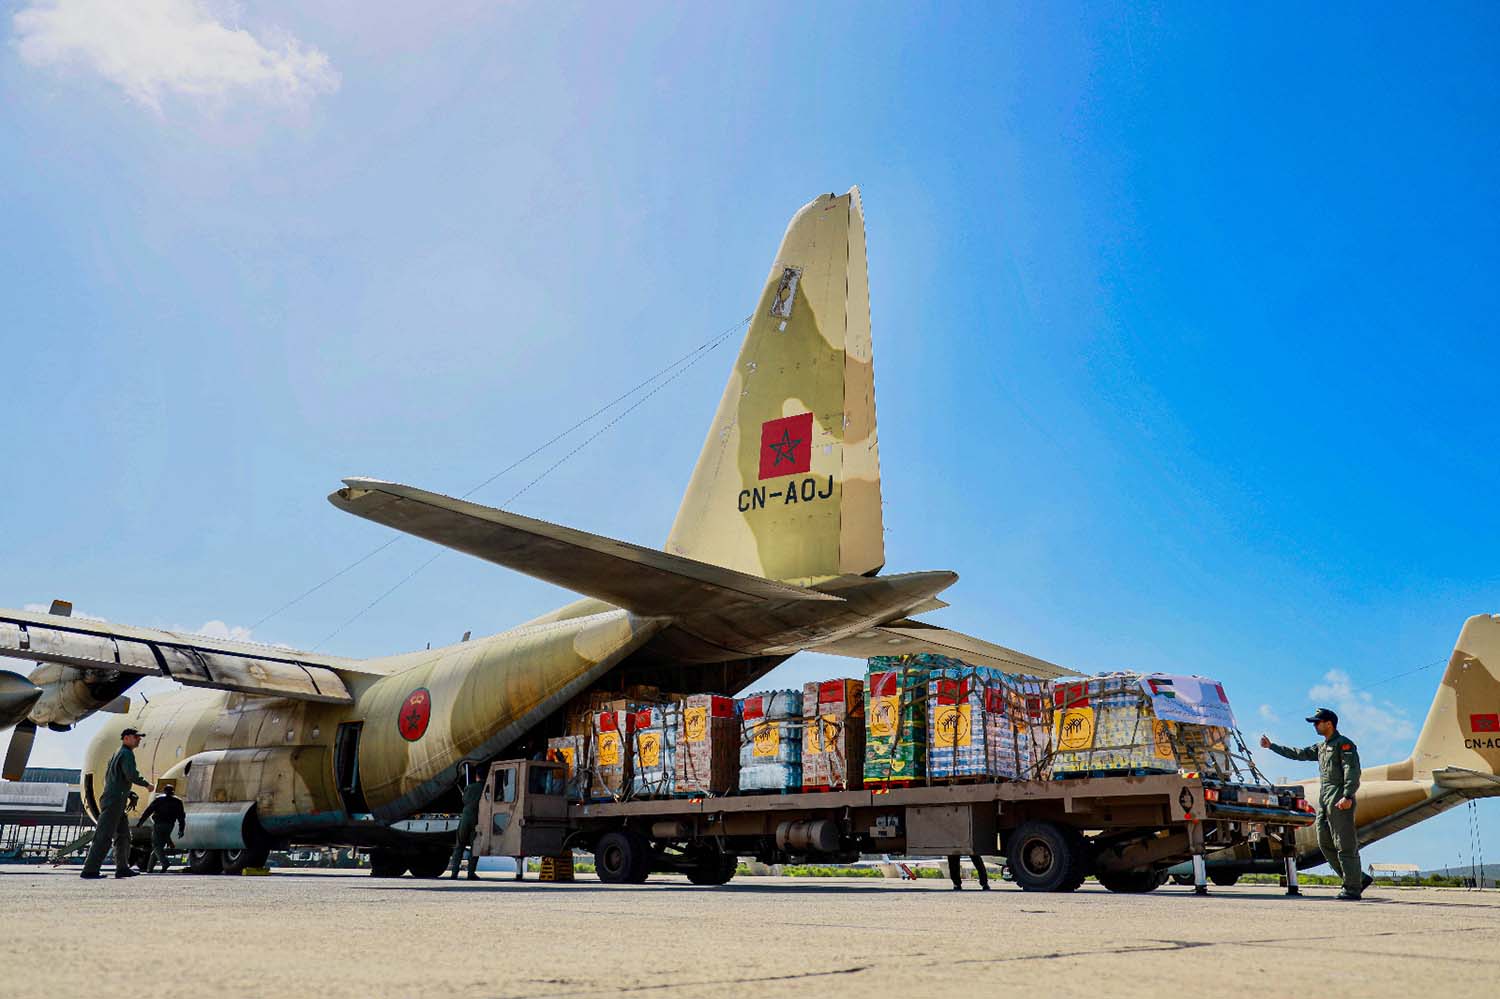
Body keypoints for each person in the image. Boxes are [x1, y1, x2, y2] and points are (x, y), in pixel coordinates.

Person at [1260, 707, 1371, 900]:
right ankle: (1357, 878)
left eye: (1317, 722)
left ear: (1329, 723)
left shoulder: (1344, 745)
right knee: (1324, 842)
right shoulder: (1321, 747)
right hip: (1325, 799)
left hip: (1339, 796)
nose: (1314, 726)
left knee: (1344, 844)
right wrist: (1272, 746)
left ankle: (1352, 888)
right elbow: (1298, 753)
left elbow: (1351, 771)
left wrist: (1348, 796)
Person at [80, 727, 154, 880]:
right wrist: (146, 784)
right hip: (114, 801)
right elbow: (131, 774)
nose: (139, 739)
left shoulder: (118, 754)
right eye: (136, 737)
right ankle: (90, 870)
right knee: (104, 836)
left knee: (124, 836)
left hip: (117, 800)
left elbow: (113, 779)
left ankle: (122, 868)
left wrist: (128, 793)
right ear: (126, 738)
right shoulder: (126, 754)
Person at [447, 762, 487, 880]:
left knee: (459, 846)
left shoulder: (469, 788)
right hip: (478, 820)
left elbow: (464, 800)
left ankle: (454, 873)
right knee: (475, 848)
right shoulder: (487, 789)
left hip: (465, 819)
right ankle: (470, 873)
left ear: (477, 776)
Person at [137, 785, 186, 873]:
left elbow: (149, 811)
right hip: (170, 825)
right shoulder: (178, 801)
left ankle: (165, 863)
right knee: (159, 847)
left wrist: (141, 822)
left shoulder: (159, 799)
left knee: (156, 846)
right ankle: (149, 869)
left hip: (159, 825)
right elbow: (181, 817)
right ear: (173, 791)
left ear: (164, 791)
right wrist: (181, 829)